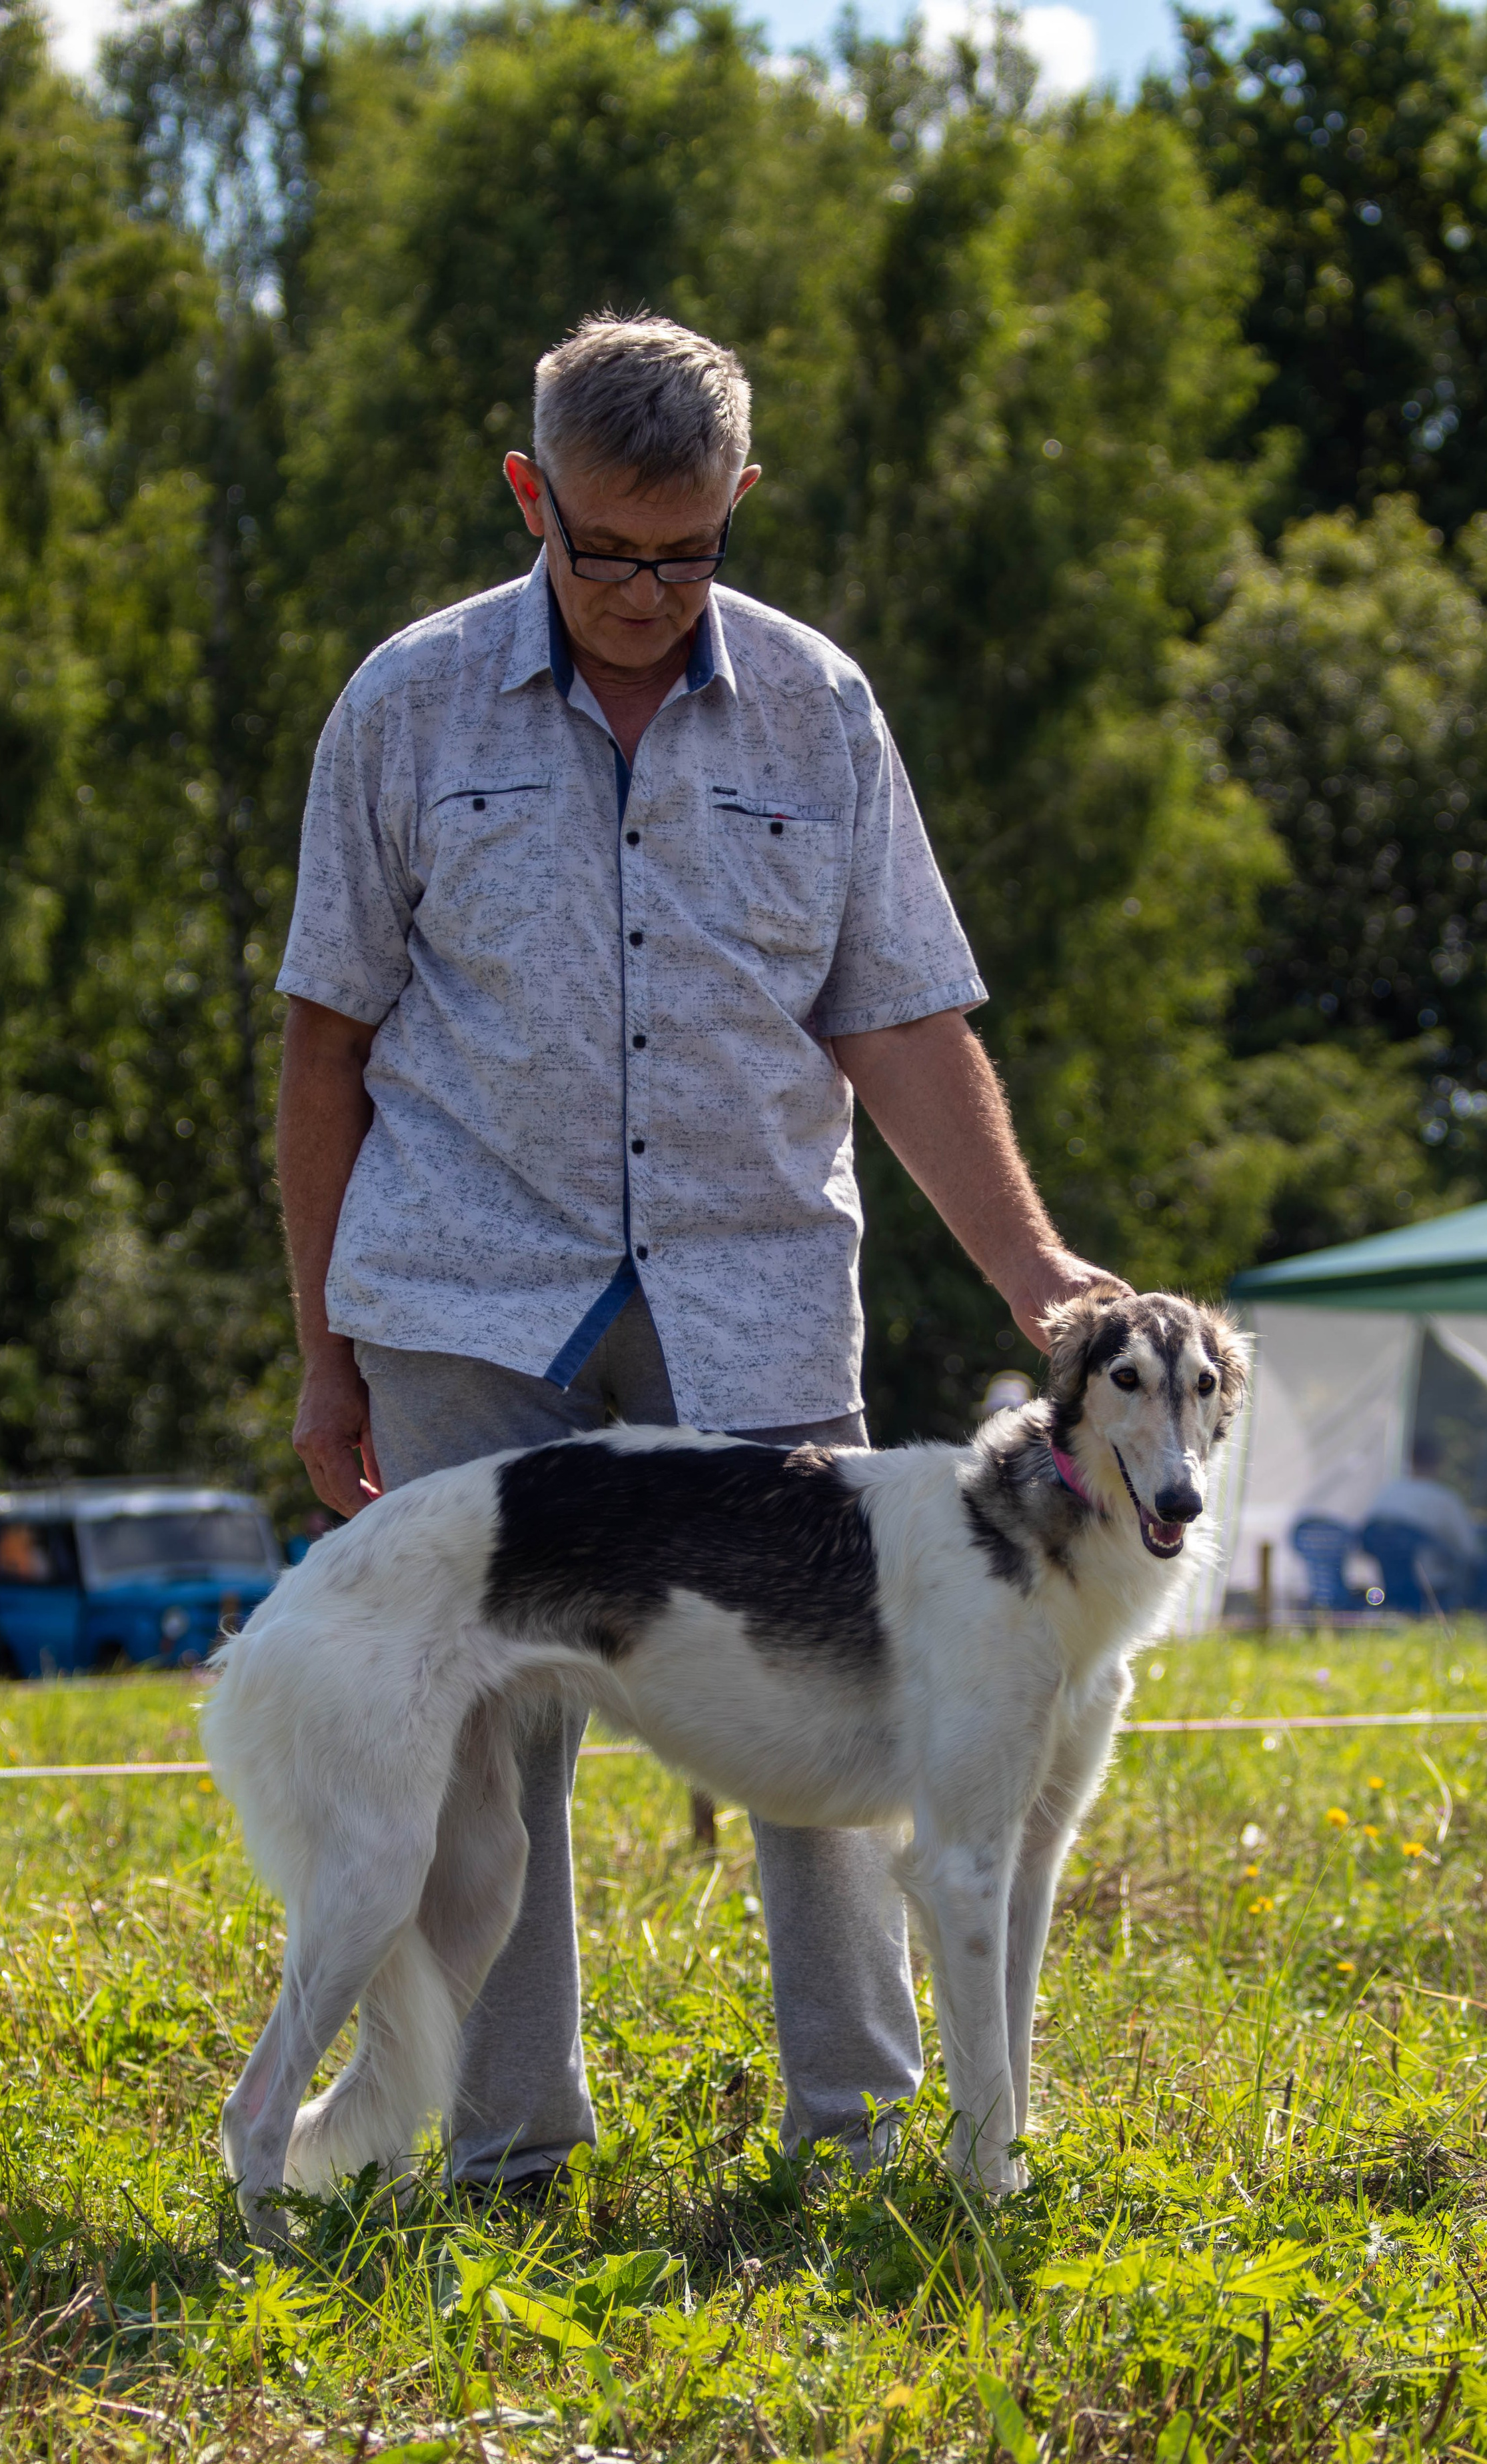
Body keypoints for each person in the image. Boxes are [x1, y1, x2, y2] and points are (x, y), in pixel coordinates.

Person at [275, 311, 1118, 2200]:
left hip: (752, 1297)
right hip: (463, 1299)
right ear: (528, 497)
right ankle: (505, 2155)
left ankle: (861, 2133)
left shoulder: (823, 712)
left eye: (688, 551)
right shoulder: (402, 709)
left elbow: (904, 1025)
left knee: (854, 1700)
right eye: (602, 551)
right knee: (483, 1745)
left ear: (739, 501)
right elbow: (325, 1042)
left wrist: (1035, 1272)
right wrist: (327, 1352)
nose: (646, 593)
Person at [1362, 1436, 1480, 1596]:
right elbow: (1468, 1549)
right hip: (1430, 1586)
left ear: (1410, 1460)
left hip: (1384, 1583)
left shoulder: (1388, 1492)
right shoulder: (1445, 1499)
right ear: (1440, 1464)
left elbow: (1366, 1535)